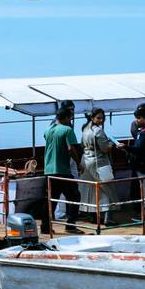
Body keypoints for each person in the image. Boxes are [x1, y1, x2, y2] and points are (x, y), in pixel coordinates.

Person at [41, 100, 83, 233]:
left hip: (48, 170)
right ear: (66, 118)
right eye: (70, 117)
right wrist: (78, 163)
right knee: (74, 197)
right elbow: (71, 149)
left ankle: (45, 228)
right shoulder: (67, 129)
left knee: (50, 199)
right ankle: (70, 225)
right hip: (62, 170)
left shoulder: (48, 130)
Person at [79, 107, 118, 225]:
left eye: (102, 118)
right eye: (99, 118)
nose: (101, 120)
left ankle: (92, 216)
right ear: (92, 118)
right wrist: (112, 144)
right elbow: (105, 149)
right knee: (107, 189)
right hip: (99, 162)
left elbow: (81, 145)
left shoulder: (85, 129)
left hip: (85, 161)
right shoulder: (98, 131)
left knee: (90, 189)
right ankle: (108, 218)